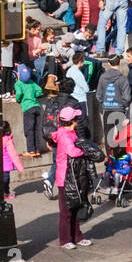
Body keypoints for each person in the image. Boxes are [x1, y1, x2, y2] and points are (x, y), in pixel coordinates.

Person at [50, 106, 92, 249]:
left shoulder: (68, 133)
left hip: (72, 176)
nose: (78, 121)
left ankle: (76, 236)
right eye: (76, 118)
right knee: (66, 211)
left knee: (75, 207)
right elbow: (73, 152)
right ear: (72, 121)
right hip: (65, 177)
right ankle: (65, 239)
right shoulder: (65, 135)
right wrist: (86, 150)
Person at [14, 62, 46, 157]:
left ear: (18, 74)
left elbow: (19, 93)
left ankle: (31, 150)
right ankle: (37, 149)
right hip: (37, 107)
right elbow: (39, 90)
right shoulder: (32, 82)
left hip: (28, 108)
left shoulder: (18, 84)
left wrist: (17, 99)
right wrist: (34, 95)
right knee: (36, 129)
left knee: (29, 130)